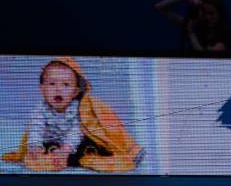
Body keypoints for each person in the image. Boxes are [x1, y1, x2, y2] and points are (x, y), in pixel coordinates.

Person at [2, 57, 144, 172]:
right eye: (51, 84)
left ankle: (128, 152)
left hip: (76, 143)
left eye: (66, 85)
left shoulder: (80, 109)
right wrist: (35, 146)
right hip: (54, 143)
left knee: (92, 146)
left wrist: (66, 149)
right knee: (35, 157)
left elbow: (77, 131)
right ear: (42, 89)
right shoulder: (41, 110)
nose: (58, 89)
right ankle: (60, 160)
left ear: (75, 92)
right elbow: (35, 128)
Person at [155, 0, 231, 53]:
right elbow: (160, 7)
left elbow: (206, 60)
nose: (208, 17)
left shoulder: (225, 34)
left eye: (212, 13)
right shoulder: (198, 26)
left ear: (220, 14)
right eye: (205, 13)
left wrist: (191, 34)